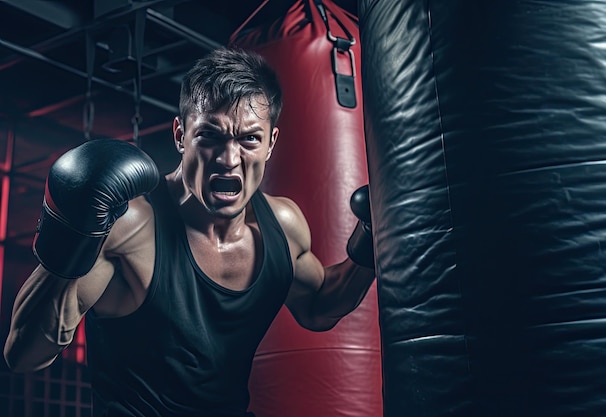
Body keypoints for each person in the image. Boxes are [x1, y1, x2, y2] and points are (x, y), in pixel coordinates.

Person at [3, 47, 376, 417]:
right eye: (209, 136)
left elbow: (318, 306)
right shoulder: (131, 227)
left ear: (271, 144)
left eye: (249, 139)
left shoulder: (283, 225)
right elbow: (24, 354)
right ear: (180, 135)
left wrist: (372, 235)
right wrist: (73, 240)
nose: (228, 159)